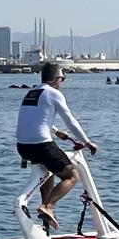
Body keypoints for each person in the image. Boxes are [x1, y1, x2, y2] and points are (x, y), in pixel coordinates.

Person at [15, 63, 98, 229]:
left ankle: (45, 217)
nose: (63, 82)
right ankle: (47, 206)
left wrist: (56, 131)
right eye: (63, 79)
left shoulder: (32, 92)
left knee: (48, 172)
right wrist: (87, 142)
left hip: (23, 146)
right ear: (56, 78)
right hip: (41, 144)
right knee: (71, 176)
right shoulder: (54, 93)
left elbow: (34, 118)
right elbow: (70, 120)